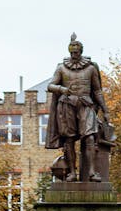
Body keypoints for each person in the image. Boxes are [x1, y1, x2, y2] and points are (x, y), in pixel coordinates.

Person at [46, 34, 111, 182]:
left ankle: (92, 172)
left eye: (76, 52)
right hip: (67, 105)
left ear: (81, 51)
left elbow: (97, 90)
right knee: (69, 140)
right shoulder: (61, 68)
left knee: (89, 137)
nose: (74, 55)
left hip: (85, 105)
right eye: (72, 52)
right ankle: (72, 173)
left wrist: (105, 110)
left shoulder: (91, 68)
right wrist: (61, 89)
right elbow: (50, 86)